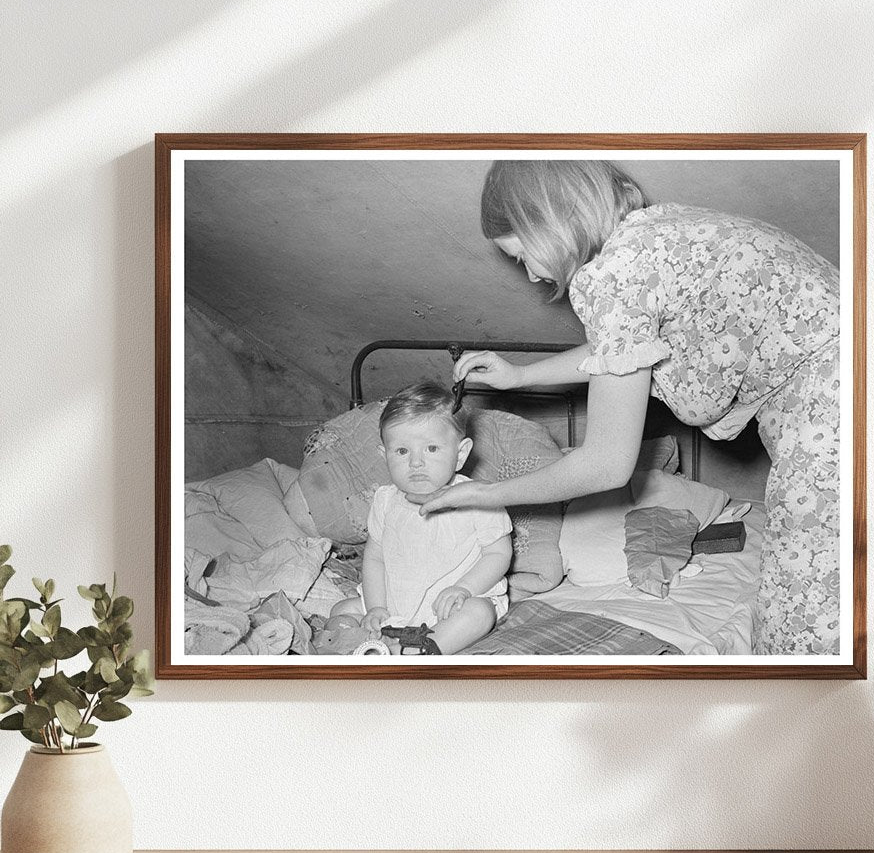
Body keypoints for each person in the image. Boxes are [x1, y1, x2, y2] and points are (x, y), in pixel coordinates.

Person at [414, 160, 840, 655]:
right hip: (858, 380)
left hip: (829, 412)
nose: (529, 274)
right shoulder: (651, 237)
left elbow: (606, 465)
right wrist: (522, 375)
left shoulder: (612, 277)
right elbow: (624, 351)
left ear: (550, 221)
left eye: (521, 253)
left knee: (805, 612)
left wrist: (483, 495)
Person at [329, 381, 513, 655]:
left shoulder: (478, 498)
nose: (415, 462)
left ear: (460, 454)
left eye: (431, 449)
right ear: (385, 455)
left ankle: (422, 651)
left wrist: (463, 588)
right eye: (402, 451)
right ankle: (351, 647)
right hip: (394, 603)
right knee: (341, 610)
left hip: (451, 604)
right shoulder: (385, 500)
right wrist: (377, 606)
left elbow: (498, 554)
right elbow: (375, 558)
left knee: (480, 614)